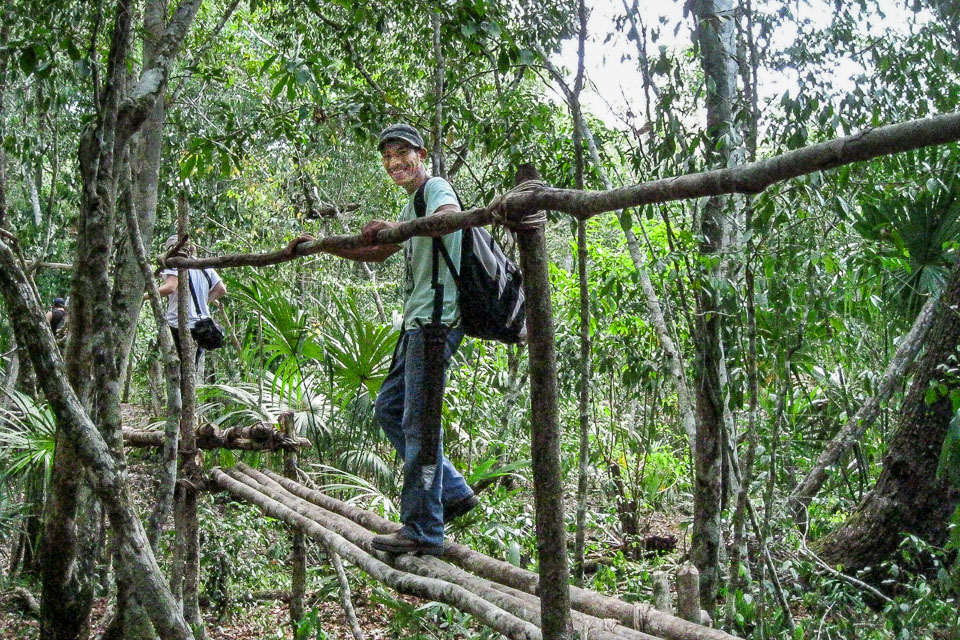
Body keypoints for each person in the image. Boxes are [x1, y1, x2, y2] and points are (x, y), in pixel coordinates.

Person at [315, 124, 478, 555]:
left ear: (421, 154)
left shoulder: (436, 188)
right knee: (389, 407)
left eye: (401, 153)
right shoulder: (413, 205)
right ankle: (454, 491)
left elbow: (446, 222)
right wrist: (323, 245)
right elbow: (380, 251)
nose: (394, 163)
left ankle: (423, 529)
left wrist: (399, 225)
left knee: (419, 424)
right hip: (417, 325)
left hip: (436, 324)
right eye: (387, 156)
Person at [155, 234, 226, 365]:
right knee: (191, 367)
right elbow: (221, 289)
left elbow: (170, 287)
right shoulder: (204, 266)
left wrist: (146, 296)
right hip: (201, 325)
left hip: (178, 324)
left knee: (176, 366)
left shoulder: (175, 263)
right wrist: (205, 302)